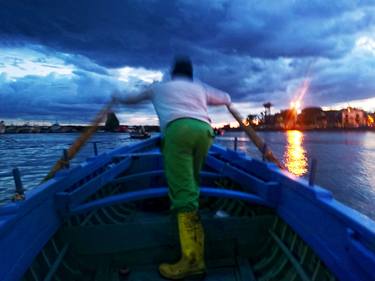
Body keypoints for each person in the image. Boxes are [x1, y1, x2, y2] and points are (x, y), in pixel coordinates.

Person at [112, 56, 231, 279]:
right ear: (190, 74)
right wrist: (221, 101)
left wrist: (115, 96)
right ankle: (190, 207)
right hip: (205, 132)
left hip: (179, 132)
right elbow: (226, 98)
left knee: (183, 192)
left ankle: (192, 261)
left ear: (173, 73)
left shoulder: (159, 87)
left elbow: (130, 98)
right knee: (192, 181)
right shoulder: (200, 88)